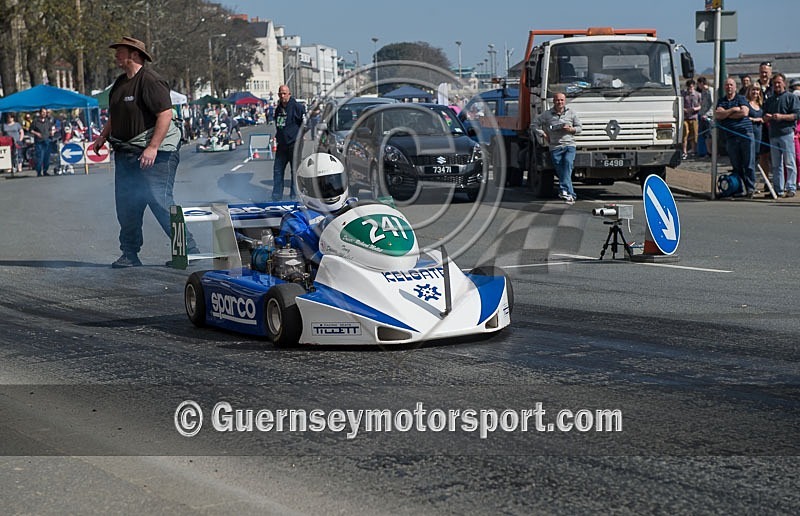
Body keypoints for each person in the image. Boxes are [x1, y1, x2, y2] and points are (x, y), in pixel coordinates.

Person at [92, 36, 197, 268]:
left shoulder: (150, 81)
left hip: (157, 154)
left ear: (134, 55)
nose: (116, 55)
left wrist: (152, 147)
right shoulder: (119, 84)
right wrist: (102, 136)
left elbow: (165, 115)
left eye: (120, 51)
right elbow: (115, 115)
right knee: (127, 204)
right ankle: (129, 254)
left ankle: (188, 248)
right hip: (126, 152)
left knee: (160, 201)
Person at [274, 152, 354, 269]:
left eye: (335, 183)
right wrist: (324, 226)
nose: (331, 190)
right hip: (325, 268)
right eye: (323, 186)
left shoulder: (354, 206)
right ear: (305, 188)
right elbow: (298, 241)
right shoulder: (296, 217)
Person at [533, 92, 581, 205]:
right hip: (555, 147)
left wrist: (571, 130)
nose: (559, 102)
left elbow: (579, 128)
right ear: (554, 101)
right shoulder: (547, 114)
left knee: (568, 164)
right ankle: (568, 194)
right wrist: (543, 134)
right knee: (562, 171)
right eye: (557, 100)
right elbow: (534, 125)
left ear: (565, 101)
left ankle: (567, 192)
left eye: (562, 100)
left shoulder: (571, 113)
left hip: (569, 145)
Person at [715, 77, 755, 197]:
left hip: (745, 134)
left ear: (735, 87)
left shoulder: (741, 98)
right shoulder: (721, 101)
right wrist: (732, 110)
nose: (729, 87)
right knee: (736, 165)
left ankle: (751, 188)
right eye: (727, 85)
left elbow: (744, 112)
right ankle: (740, 188)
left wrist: (726, 114)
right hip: (731, 137)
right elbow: (718, 114)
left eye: (731, 85)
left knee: (748, 163)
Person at [763, 73, 800, 197]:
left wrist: (781, 117)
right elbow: (764, 115)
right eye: (775, 83)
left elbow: (796, 115)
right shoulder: (770, 100)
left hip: (786, 133)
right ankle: (778, 189)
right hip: (773, 135)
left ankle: (791, 188)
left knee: (790, 162)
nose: (777, 85)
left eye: (779, 82)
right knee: (776, 165)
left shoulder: (791, 98)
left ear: (784, 83)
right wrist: (767, 118)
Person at [272, 84, 306, 201]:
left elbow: (305, 123)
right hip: (282, 144)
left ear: (289, 94)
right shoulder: (278, 109)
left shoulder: (297, 107)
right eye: (280, 93)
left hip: (294, 144)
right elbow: (278, 125)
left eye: (284, 93)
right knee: (277, 170)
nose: (282, 95)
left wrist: (301, 136)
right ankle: (276, 197)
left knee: (294, 171)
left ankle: (294, 196)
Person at [745, 84, 765, 185]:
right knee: (749, 158)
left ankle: (755, 182)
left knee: (757, 157)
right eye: (753, 90)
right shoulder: (746, 104)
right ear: (749, 90)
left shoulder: (761, 104)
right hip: (749, 132)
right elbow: (744, 117)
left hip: (759, 133)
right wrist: (755, 119)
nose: (755, 92)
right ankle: (749, 183)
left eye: (757, 90)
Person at [29, 107, 55, 177]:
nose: (44, 113)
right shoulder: (35, 121)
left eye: (45, 112)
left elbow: (50, 129)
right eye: (43, 112)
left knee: (47, 157)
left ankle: (45, 171)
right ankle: (39, 172)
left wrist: (52, 132)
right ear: (40, 113)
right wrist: (37, 133)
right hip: (39, 142)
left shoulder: (48, 121)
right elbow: (30, 130)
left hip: (47, 141)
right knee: (40, 157)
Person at [682, 79, 702, 159]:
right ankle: (684, 151)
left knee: (694, 135)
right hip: (685, 117)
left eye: (692, 87)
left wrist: (695, 109)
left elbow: (701, 105)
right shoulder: (683, 94)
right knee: (685, 135)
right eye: (689, 87)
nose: (690, 88)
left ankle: (694, 150)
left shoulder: (698, 95)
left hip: (694, 117)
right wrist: (685, 110)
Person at [696, 76, 714, 158]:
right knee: (705, 135)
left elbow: (713, 104)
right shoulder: (703, 91)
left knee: (710, 134)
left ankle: (712, 151)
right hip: (702, 114)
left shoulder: (710, 91)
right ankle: (708, 151)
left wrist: (707, 114)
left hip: (709, 116)